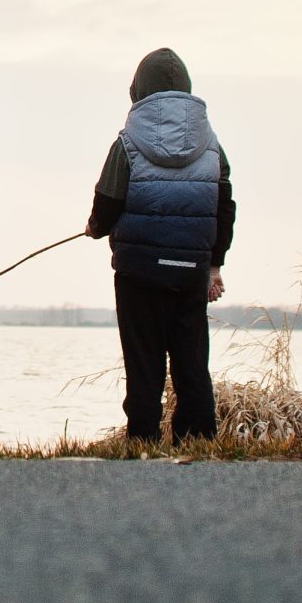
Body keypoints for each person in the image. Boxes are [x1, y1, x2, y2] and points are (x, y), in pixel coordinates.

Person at [83, 47, 234, 443]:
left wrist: (95, 228)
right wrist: (214, 264)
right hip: (190, 274)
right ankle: (199, 439)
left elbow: (109, 199)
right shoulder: (213, 146)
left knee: (143, 364)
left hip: (137, 273)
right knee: (191, 364)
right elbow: (224, 207)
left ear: (138, 90)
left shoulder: (127, 142)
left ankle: (142, 441)